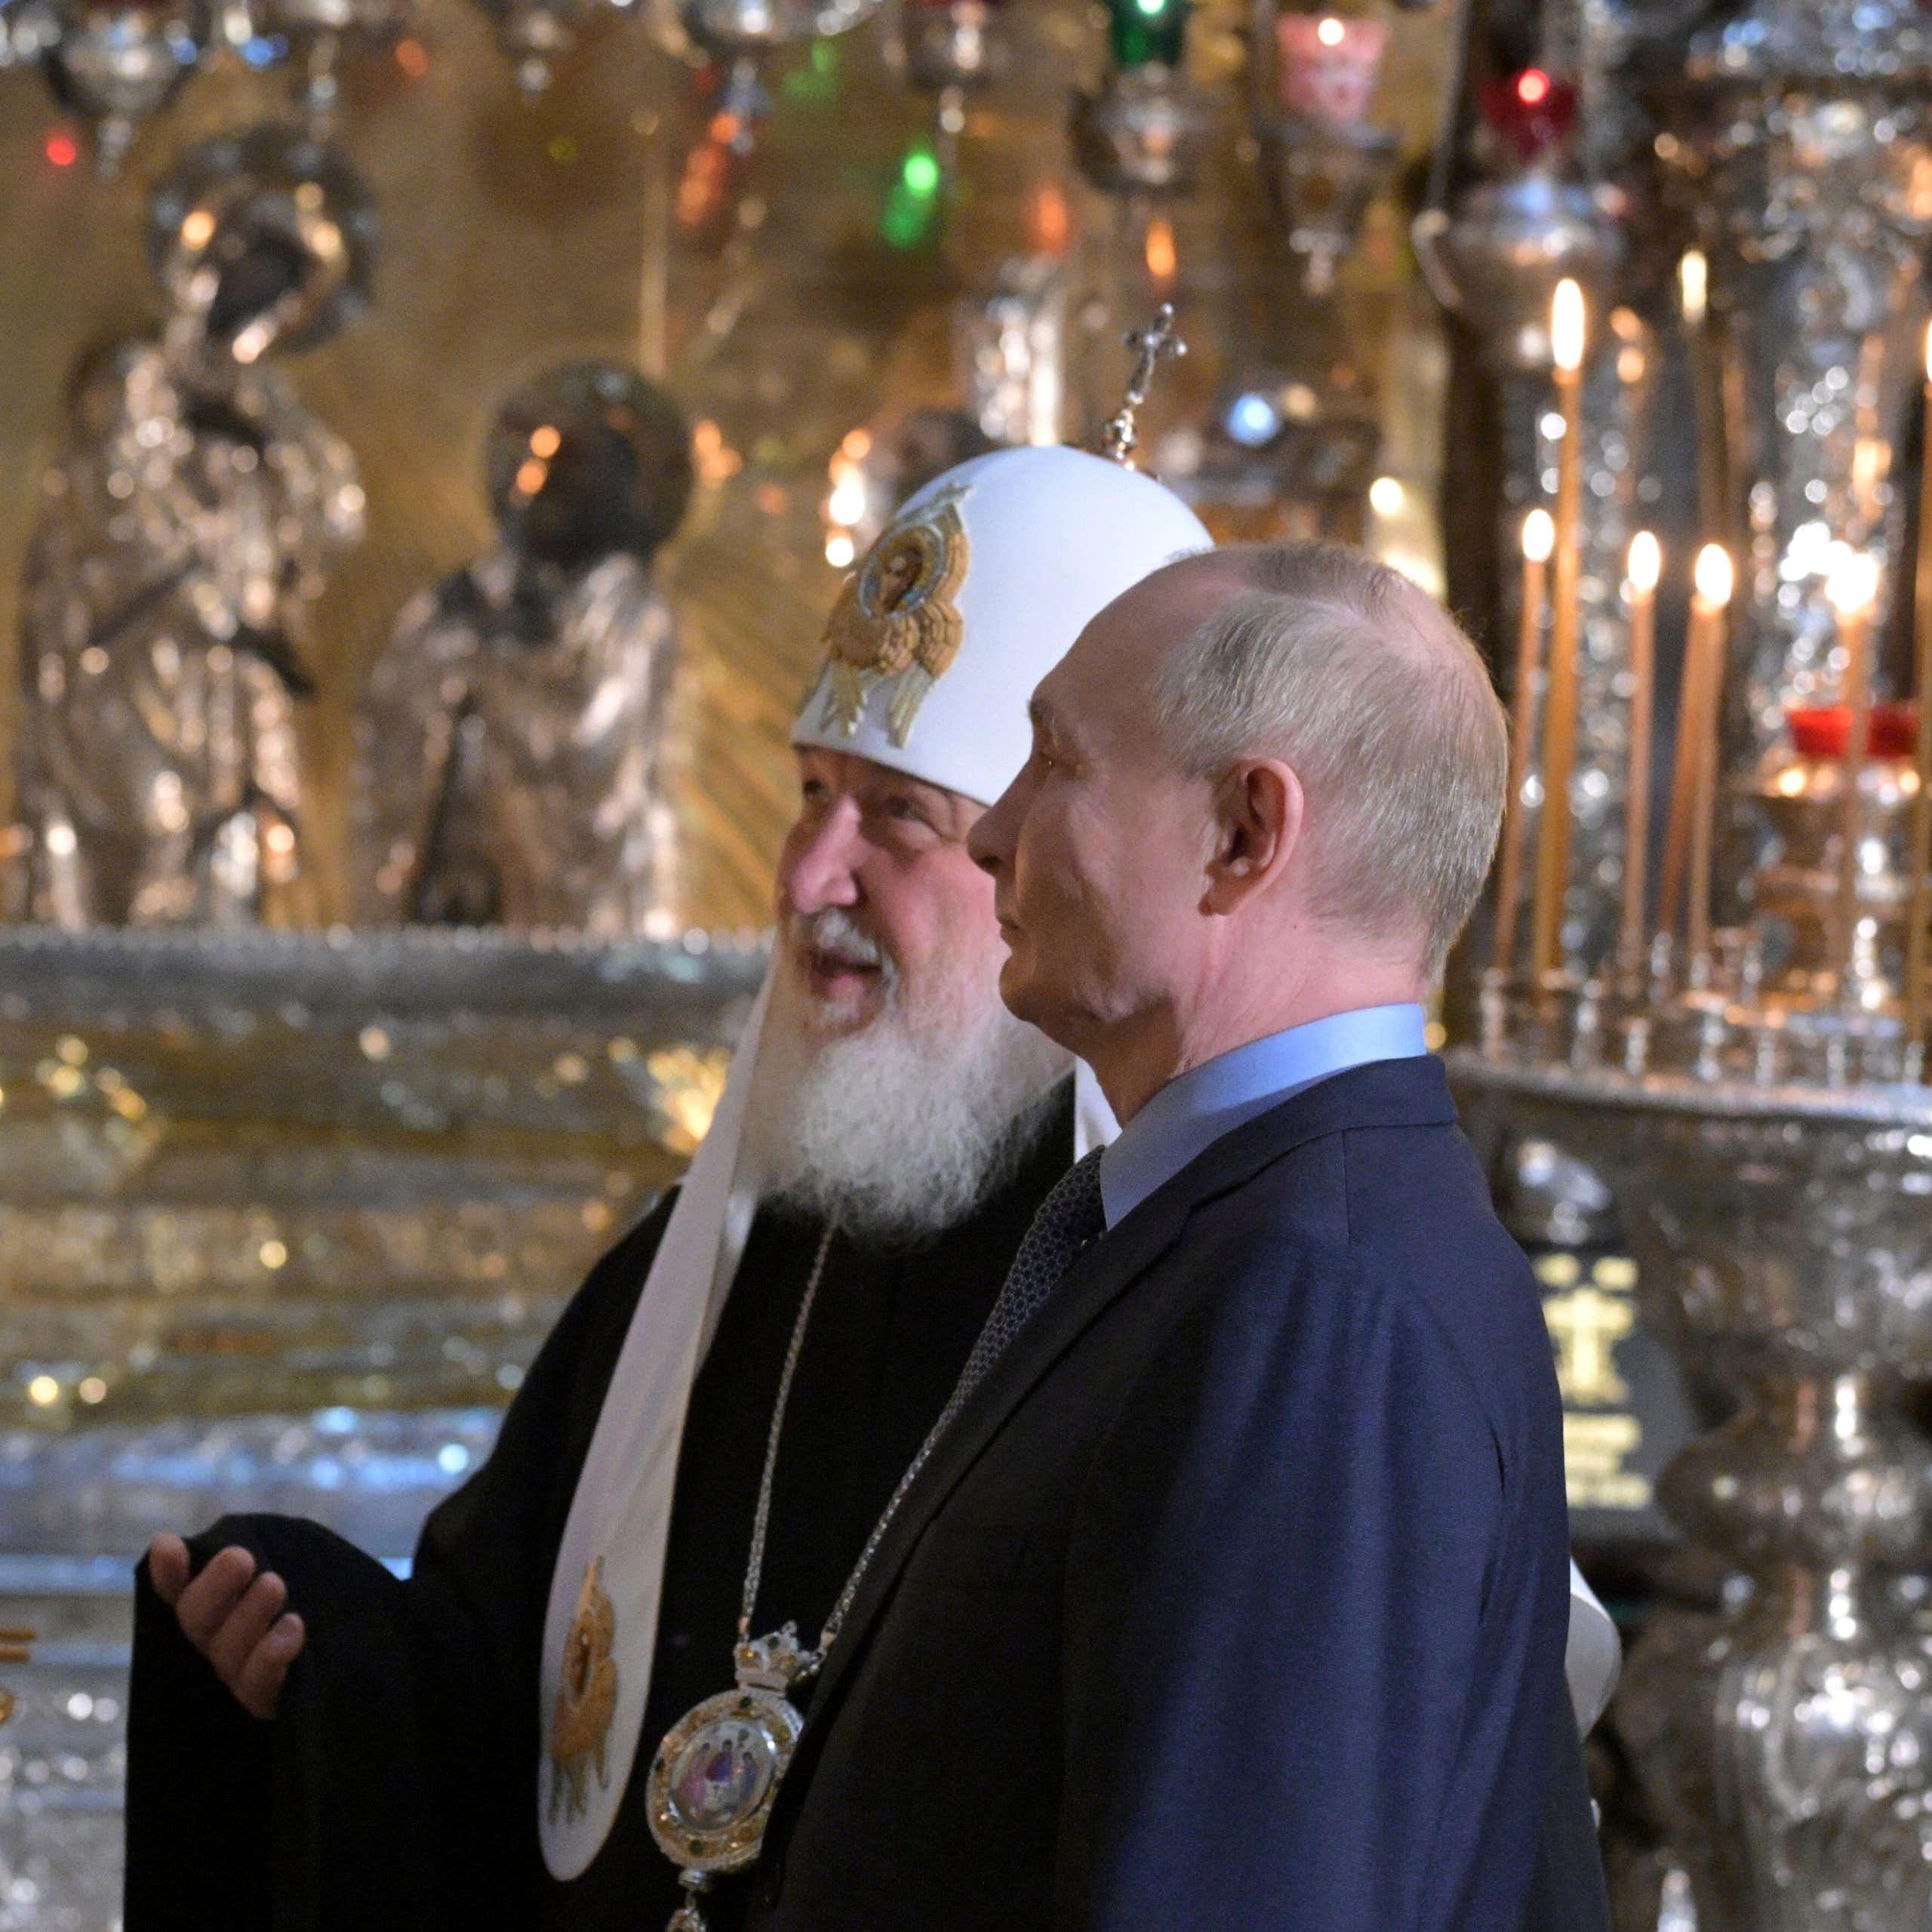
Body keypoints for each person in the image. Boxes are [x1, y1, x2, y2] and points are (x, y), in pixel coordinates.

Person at [123, 442, 1213, 1930]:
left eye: (895, 814)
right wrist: (314, 1642)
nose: (807, 872)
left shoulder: (1160, 1304)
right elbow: (496, 1693)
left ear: (1053, 861)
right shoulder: (719, 1260)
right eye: (808, 792)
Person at [742, 540, 1598, 1930]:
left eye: (1056, 761)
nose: (990, 830)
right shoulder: (1247, 1229)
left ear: (1248, 833)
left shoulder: (1316, 1306)